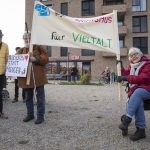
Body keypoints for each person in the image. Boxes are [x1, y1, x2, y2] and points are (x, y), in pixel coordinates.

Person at [117, 47, 150, 141]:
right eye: (131, 55)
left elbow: (143, 78)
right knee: (138, 100)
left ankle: (127, 120)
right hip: (137, 91)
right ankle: (141, 130)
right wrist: (121, 68)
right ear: (130, 58)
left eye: (135, 54)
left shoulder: (147, 64)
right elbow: (127, 74)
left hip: (147, 88)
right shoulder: (132, 66)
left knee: (138, 92)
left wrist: (126, 78)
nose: (134, 56)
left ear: (140, 54)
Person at [17, 31, 49, 124]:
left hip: (39, 78)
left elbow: (46, 59)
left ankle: (40, 116)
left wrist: (36, 59)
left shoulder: (39, 48)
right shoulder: (21, 50)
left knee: (40, 98)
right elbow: (16, 62)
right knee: (28, 97)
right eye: (25, 38)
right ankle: (30, 114)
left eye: (29, 38)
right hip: (27, 79)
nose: (27, 40)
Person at [0, 30, 9, 119]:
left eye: (1, 36)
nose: (0, 38)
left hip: (1, 73)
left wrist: (3, 67)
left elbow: (6, 59)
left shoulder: (5, 46)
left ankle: (1, 112)